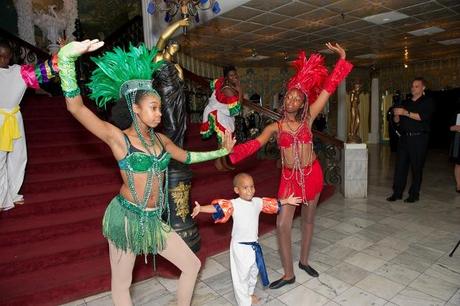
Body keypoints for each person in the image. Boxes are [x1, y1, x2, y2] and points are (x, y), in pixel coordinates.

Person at [57, 39, 235, 306]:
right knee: (122, 283)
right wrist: (66, 59)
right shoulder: (119, 139)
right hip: (126, 219)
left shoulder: (161, 140)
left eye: (160, 108)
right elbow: (76, 108)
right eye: (154, 108)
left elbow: (187, 156)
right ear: (135, 108)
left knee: (191, 264)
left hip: (154, 220)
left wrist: (221, 152)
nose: (160, 113)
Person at [226, 43, 353, 289]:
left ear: (303, 102)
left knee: (308, 220)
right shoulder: (276, 127)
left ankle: (304, 261)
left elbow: (328, 88)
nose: (292, 100)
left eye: (297, 97)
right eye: (289, 96)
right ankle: (288, 273)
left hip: (312, 173)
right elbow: (256, 143)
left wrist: (342, 60)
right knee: (282, 224)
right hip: (290, 179)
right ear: (284, 100)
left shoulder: (309, 118)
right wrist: (233, 150)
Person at [191, 173, 301, 306]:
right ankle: (244, 302)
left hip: (254, 245)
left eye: (252, 187)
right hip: (240, 247)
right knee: (241, 276)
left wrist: (287, 201)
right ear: (237, 190)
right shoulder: (233, 204)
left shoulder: (257, 202)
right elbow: (217, 208)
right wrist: (201, 208)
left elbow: (273, 202)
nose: (250, 190)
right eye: (245, 187)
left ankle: (249, 293)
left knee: (253, 271)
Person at [0, 40, 60, 211]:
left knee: (18, 157)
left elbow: (48, 69)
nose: (2, 59)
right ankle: (2, 198)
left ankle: (13, 193)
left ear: (10, 57)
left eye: (5, 56)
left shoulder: (20, 72)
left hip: (14, 117)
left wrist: (63, 54)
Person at [386, 77, 435, 203]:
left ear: (423, 87)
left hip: (419, 138)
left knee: (416, 167)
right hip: (404, 138)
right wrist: (397, 115)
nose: (413, 88)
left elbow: (422, 117)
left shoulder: (427, 101)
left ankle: (414, 194)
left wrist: (405, 112)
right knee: (400, 166)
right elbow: (397, 122)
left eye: (416, 86)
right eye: (412, 86)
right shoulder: (406, 102)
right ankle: (397, 193)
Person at [201, 65, 243, 170]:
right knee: (223, 142)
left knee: (223, 142)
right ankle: (221, 164)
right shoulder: (227, 89)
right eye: (231, 75)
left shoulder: (227, 85)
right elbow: (237, 109)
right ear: (226, 78)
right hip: (218, 114)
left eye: (235, 74)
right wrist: (240, 89)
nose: (234, 77)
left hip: (224, 113)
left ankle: (221, 162)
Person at [449, 120, 460, 192]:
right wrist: (454, 128)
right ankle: (459, 185)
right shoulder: (458, 114)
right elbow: (450, 128)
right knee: (458, 163)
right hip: (458, 140)